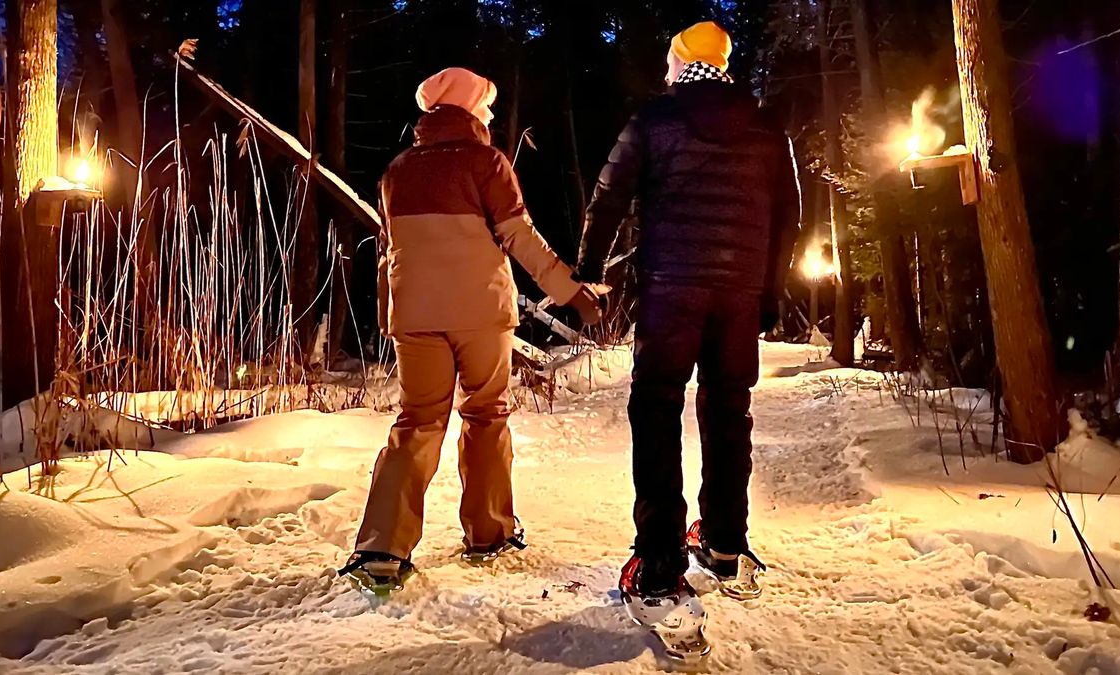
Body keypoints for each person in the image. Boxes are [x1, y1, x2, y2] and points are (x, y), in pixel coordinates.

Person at [341, 67, 603, 595]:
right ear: (471, 111)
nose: (486, 115)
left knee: (417, 420)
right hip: (480, 313)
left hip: (415, 317)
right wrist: (572, 291)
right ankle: (490, 532)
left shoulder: (397, 170)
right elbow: (519, 236)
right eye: (484, 106)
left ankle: (380, 547)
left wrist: (389, 314)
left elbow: (390, 251)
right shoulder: (487, 162)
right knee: (486, 413)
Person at [578, 23, 802, 608]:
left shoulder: (655, 120)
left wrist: (589, 272)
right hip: (738, 296)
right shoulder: (766, 126)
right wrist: (768, 293)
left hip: (670, 291)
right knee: (729, 412)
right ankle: (726, 544)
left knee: (655, 412)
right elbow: (789, 217)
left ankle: (658, 562)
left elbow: (608, 198)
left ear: (678, 61)